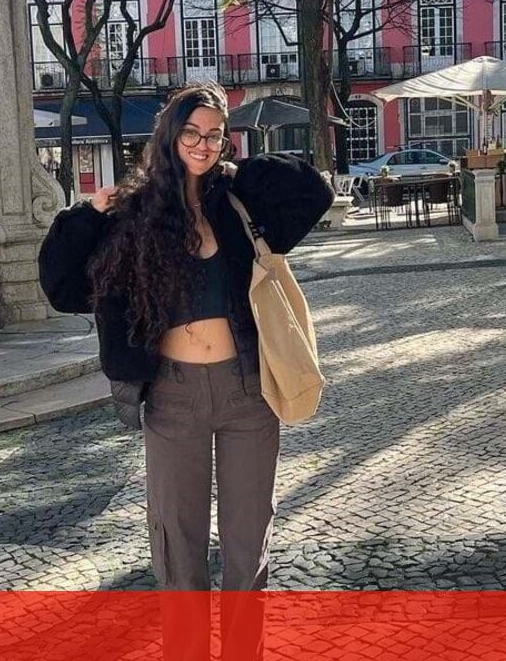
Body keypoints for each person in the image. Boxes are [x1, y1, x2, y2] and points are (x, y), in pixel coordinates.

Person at [37, 83, 333, 659]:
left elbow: (312, 191)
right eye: (192, 132)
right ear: (169, 136)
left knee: (249, 538)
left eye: (214, 135)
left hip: (249, 391)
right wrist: (88, 213)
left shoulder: (237, 204)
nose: (202, 144)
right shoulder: (135, 215)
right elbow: (62, 286)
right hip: (174, 397)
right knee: (178, 541)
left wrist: (238, 170)